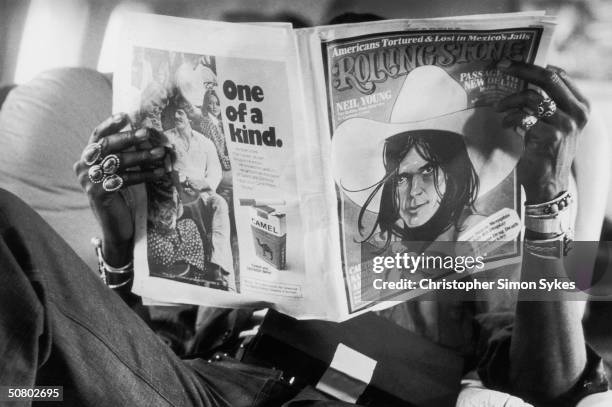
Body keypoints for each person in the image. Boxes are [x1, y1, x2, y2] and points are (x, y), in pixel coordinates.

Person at [0, 32, 607, 407]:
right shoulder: (240, 215)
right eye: (403, 171)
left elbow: (554, 387)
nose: (414, 188)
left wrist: (548, 202)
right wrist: (117, 241)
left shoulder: (481, 246)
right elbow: (134, 353)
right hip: (200, 388)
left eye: (431, 172)